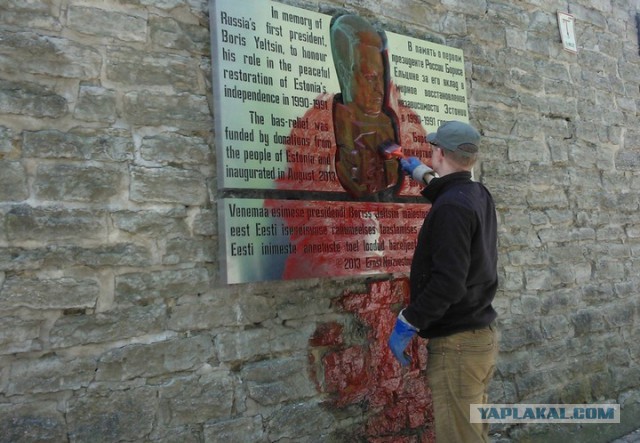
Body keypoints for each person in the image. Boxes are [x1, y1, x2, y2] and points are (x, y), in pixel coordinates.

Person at [388, 120, 499, 443]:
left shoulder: (451, 207)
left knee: (460, 437)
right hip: (479, 337)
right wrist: (423, 174)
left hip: (458, 347)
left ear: (438, 153)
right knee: (472, 432)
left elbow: (448, 283)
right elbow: (453, 193)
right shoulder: (476, 194)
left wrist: (409, 321)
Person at [330, 15, 401, 199]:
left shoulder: (387, 125)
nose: (380, 89)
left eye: (380, 78)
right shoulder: (337, 128)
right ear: (345, 75)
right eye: (370, 78)